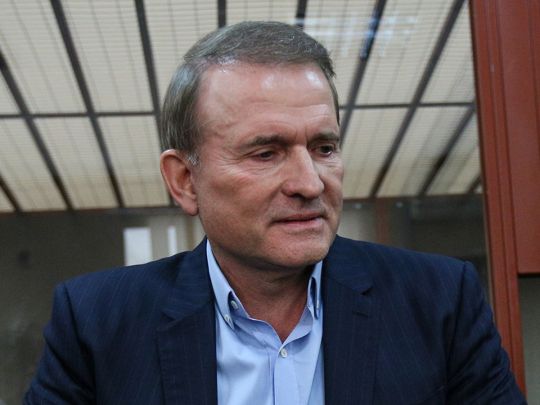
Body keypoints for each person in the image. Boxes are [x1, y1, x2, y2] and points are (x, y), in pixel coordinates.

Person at [25, 21, 525, 404]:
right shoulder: (97, 322)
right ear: (184, 180)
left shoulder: (439, 301)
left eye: (324, 148)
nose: (310, 183)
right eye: (266, 153)